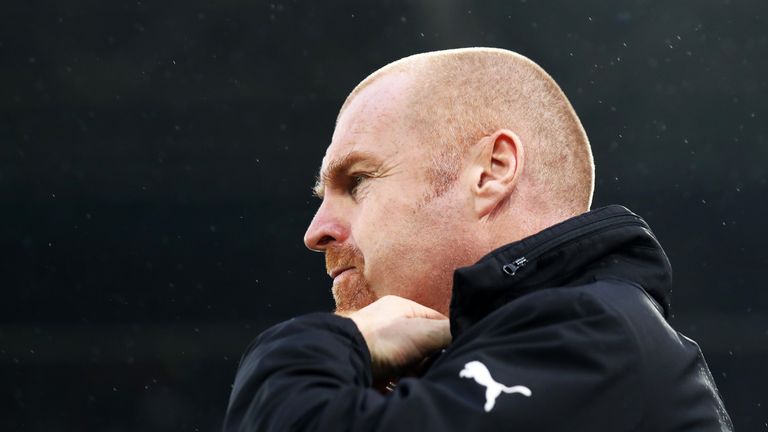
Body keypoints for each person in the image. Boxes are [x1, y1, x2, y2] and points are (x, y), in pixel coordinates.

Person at [223, 48, 733, 431]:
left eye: (357, 181)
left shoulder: (593, 339)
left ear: (491, 172)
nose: (316, 232)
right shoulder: (586, 341)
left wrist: (322, 348)